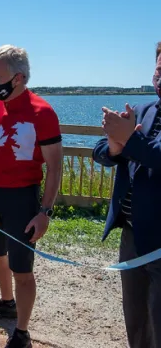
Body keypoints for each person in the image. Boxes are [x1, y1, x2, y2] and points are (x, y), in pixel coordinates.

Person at [0, 45, 63, 348]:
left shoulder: (43, 112)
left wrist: (45, 212)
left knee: (22, 269)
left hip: (23, 199)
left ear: (19, 77)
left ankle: (22, 332)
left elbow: (55, 166)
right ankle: (6, 302)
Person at [93, 42, 161, 348]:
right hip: (132, 235)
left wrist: (127, 138)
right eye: (160, 67)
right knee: (135, 320)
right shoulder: (144, 111)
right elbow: (101, 151)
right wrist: (115, 145)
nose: (160, 75)